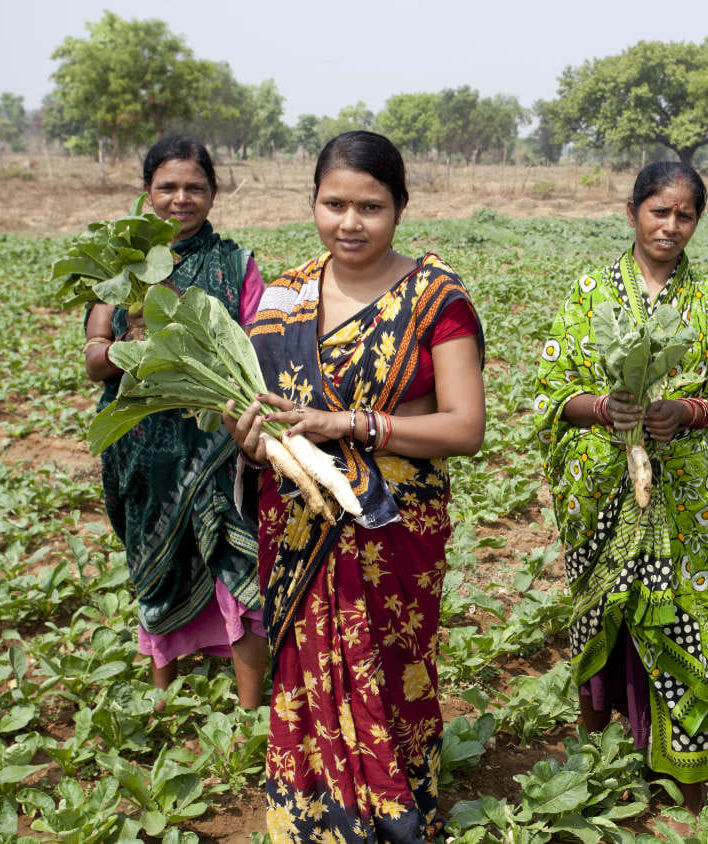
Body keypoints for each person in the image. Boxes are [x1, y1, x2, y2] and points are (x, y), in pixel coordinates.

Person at [223, 131, 485, 842]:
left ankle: (395, 815)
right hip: (301, 520)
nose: (350, 222)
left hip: (393, 528)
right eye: (333, 203)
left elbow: (465, 427)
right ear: (312, 202)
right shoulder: (282, 300)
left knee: (392, 675)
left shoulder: (436, 299)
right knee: (308, 683)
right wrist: (253, 442)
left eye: (370, 206)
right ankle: (309, 820)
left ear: (399, 207)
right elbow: (259, 418)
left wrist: (354, 422)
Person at [533, 161, 708, 813]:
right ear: (633, 212)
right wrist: (605, 408)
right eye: (659, 211)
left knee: (691, 625)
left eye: (685, 214)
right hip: (604, 487)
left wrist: (689, 412)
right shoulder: (588, 294)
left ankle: (688, 778)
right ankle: (598, 757)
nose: (671, 225)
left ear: (698, 221)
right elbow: (551, 392)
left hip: (687, 494)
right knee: (604, 615)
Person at [83, 136, 268, 709]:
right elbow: (93, 359)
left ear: (213, 193)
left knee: (238, 564)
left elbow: (260, 350)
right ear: (147, 194)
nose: (181, 199)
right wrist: (130, 340)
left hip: (221, 442)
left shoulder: (238, 265)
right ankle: (162, 699)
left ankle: (247, 710)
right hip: (144, 445)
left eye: (195, 187)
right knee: (155, 565)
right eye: (167, 187)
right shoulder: (121, 271)